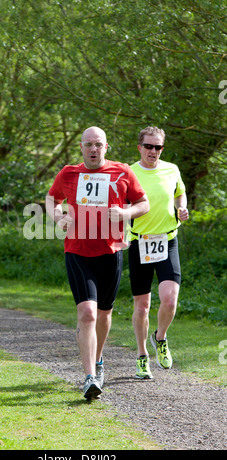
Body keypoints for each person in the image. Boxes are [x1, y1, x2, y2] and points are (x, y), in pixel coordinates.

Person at [46, 126, 149, 399]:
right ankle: (89, 376)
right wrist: (58, 217)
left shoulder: (123, 172)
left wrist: (126, 212)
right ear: (81, 147)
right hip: (78, 252)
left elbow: (144, 203)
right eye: (88, 144)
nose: (93, 149)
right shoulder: (68, 173)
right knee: (88, 314)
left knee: (104, 314)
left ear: (106, 147)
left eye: (98, 144)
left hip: (110, 253)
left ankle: (99, 360)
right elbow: (51, 199)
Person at [128, 126, 189, 379]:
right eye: (149, 146)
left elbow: (180, 194)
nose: (153, 151)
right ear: (140, 147)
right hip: (139, 242)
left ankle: (160, 338)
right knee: (142, 306)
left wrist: (182, 209)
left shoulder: (171, 169)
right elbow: (120, 206)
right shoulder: (129, 172)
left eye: (158, 147)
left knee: (170, 299)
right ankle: (142, 355)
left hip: (167, 240)